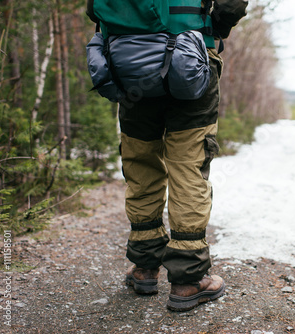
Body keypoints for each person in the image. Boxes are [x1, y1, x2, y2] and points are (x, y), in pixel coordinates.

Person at [86, 0, 226, 312]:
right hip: (192, 59)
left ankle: (144, 268)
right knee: (188, 167)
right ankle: (188, 280)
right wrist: (215, 27)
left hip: (130, 63)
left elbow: (94, 7)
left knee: (140, 162)